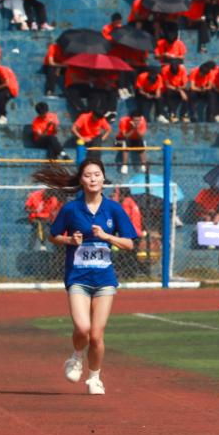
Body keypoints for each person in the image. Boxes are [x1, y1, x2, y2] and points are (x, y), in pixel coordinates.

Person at [34, 159, 138, 395]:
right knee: (82, 328)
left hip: (104, 280)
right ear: (81, 180)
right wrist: (70, 240)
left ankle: (94, 378)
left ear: (103, 178)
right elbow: (53, 236)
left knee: (96, 335)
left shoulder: (113, 209)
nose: (93, 179)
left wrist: (107, 237)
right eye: (88, 175)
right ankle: (76, 357)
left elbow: (129, 243)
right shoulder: (71, 209)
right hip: (78, 277)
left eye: (97, 174)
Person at [116, 110, 148, 174]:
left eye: (138, 120)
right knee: (125, 142)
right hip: (123, 138)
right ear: (131, 119)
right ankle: (124, 165)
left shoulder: (142, 121)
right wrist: (133, 129)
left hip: (136, 138)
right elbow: (125, 136)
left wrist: (137, 129)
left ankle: (144, 164)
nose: (137, 122)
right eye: (135, 120)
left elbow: (141, 136)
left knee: (141, 143)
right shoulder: (123, 121)